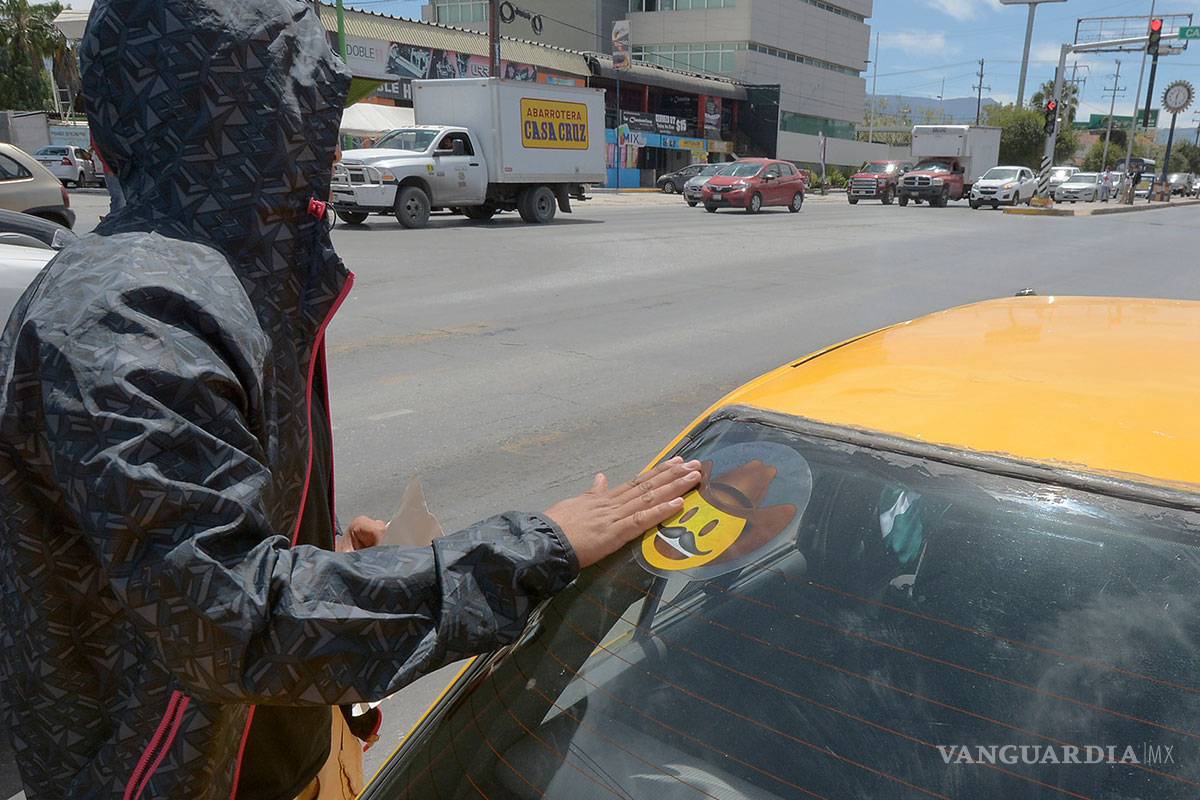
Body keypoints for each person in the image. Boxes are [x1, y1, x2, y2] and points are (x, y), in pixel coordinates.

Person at [0, 2, 702, 799]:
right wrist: (530, 549)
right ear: (285, 125)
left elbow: (196, 552)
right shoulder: (136, 308)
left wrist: (328, 568)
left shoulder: (242, 274)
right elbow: (230, 620)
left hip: (288, 746)